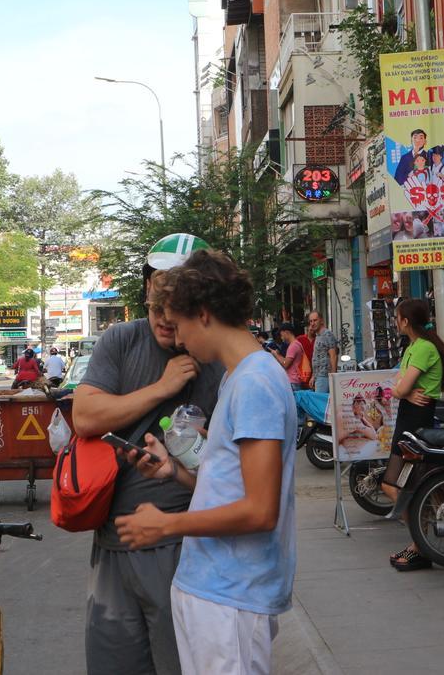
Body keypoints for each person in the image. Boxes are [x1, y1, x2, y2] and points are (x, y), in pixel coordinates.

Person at [115, 250, 296, 675]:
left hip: (230, 594)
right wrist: (172, 472)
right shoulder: (241, 377)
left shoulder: (254, 383)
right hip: (216, 590)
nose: (178, 341)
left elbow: (260, 510)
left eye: (178, 326)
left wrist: (166, 524)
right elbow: (232, 488)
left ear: (203, 314)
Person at [72, 234, 224, 675]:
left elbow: (228, 465)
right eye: (155, 302)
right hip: (112, 542)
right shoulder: (120, 340)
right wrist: (162, 388)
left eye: (171, 305)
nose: (161, 317)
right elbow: (84, 416)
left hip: (182, 545)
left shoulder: (214, 357)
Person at [380, 300, 444, 572]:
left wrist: (403, 390)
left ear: (405, 321)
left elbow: (400, 387)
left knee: (396, 484)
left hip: (416, 420)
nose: (394, 321)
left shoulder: (423, 348)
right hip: (408, 417)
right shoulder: (414, 347)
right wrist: (402, 390)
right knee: (402, 485)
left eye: (396, 317)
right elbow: (398, 387)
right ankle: (421, 541)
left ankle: (420, 544)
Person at [307, 311, 338, 395]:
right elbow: (317, 358)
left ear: (321, 321)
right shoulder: (318, 335)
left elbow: (333, 356)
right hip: (319, 376)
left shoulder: (327, 334)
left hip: (324, 376)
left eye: (315, 320)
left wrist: (333, 376)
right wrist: (313, 376)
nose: (312, 323)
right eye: (311, 321)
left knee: (321, 404)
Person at [272, 323, 307, 390]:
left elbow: (285, 364)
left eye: (282, 335)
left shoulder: (293, 346)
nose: (281, 338)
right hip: (296, 380)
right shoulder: (297, 343)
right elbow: (287, 360)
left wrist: (276, 355)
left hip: (293, 381)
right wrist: (278, 355)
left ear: (286, 332)